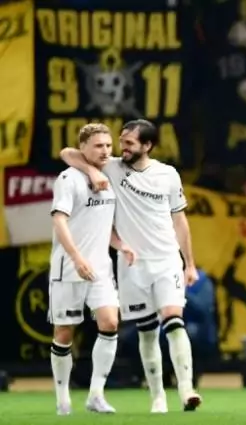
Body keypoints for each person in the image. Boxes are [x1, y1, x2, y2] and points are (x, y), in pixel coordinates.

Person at [60, 119, 202, 413]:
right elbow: (67, 153)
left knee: (173, 320)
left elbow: (180, 221)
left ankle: (187, 390)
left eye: (128, 143)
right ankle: (158, 397)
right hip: (132, 264)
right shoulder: (112, 167)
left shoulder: (168, 174)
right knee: (147, 331)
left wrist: (190, 263)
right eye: (121, 141)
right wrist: (91, 171)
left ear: (147, 145)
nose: (121, 147)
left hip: (166, 260)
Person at [49, 123, 136, 415]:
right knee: (64, 333)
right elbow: (59, 221)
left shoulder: (111, 174)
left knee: (110, 322)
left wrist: (121, 245)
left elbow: (103, 224)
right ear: (83, 147)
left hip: (100, 267)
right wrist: (76, 258)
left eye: (109, 146)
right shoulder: (68, 178)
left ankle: (96, 395)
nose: (106, 151)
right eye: (99, 146)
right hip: (69, 267)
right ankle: (63, 399)